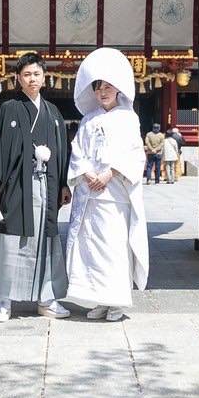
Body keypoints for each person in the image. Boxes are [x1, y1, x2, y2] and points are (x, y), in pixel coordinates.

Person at [0, 52, 71, 323]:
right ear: (18, 79)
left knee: (46, 238)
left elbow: (63, 150)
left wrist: (64, 183)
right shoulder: (9, 108)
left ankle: (47, 299)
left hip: (47, 184)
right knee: (11, 239)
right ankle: (4, 300)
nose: (32, 79)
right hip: (16, 186)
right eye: (26, 75)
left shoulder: (53, 112)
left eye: (36, 74)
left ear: (45, 77)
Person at [66, 48, 149, 322]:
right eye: (98, 87)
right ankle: (99, 300)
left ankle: (117, 302)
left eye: (108, 87)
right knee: (91, 247)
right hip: (90, 193)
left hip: (115, 193)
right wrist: (86, 172)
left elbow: (135, 153)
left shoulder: (129, 118)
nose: (102, 92)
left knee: (114, 247)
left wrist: (110, 173)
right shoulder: (88, 119)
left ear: (118, 88)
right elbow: (77, 150)